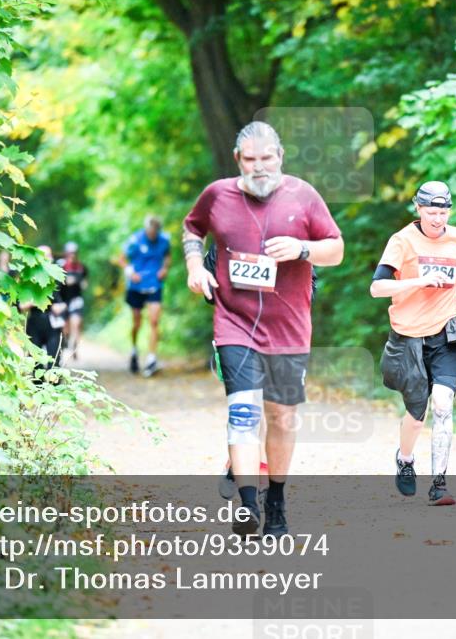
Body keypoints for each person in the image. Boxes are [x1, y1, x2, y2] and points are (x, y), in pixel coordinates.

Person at [182, 120, 344, 537]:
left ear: (280, 157)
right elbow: (192, 228)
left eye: (267, 158)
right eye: (251, 159)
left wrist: (303, 248)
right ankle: (248, 505)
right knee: (244, 410)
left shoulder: (303, 195)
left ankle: (277, 503)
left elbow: (336, 249)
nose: (259, 167)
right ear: (238, 159)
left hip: (288, 326)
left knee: (282, 417)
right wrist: (195, 266)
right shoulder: (217, 195)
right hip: (233, 321)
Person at [371, 181, 456, 506]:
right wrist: (418, 281)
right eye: (431, 212)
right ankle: (405, 459)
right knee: (417, 414)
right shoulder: (402, 241)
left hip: (448, 332)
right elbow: (377, 288)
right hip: (409, 336)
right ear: (418, 209)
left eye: (443, 212)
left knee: (443, 404)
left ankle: (439, 485)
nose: (437, 218)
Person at [119, 215, 171, 377]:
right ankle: (134, 350)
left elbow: (167, 256)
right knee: (137, 322)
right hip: (136, 286)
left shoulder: (164, 240)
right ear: (146, 230)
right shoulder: (135, 240)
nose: (152, 235)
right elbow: (122, 259)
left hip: (155, 284)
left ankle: (151, 358)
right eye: (150, 232)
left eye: (155, 232)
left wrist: (164, 268)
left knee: (154, 321)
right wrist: (130, 273)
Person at [21, 245, 67, 372]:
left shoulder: (59, 277)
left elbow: (67, 300)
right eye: (42, 256)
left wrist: (61, 307)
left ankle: (55, 384)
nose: (46, 259)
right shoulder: (28, 277)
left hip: (54, 324)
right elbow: (21, 305)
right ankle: (37, 384)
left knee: (55, 362)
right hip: (34, 323)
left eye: (48, 255)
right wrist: (37, 302)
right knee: (36, 364)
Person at [57, 241, 88, 360]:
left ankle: (74, 348)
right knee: (65, 327)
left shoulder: (81, 267)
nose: (72, 255)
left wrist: (79, 282)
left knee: (76, 323)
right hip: (63, 300)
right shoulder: (60, 266)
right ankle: (66, 341)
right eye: (70, 253)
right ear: (66, 253)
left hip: (76, 299)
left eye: (74, 253)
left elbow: (85, 282)